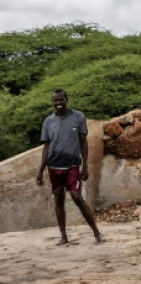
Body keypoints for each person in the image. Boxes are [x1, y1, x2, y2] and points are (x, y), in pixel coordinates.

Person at [35, 89, 104, 245]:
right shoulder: (48, 121)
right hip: (54, 166)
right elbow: (46, 146)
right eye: (55, 101)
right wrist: (40, 170)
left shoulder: (78, 117)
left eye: (61, 100)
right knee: (58, 199)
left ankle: (97, 233)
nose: (58, 103)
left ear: (67, 100)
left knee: (77, 197)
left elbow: (83, 142)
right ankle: (64, 236)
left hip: (72, 165)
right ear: (52, 102)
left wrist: (85, 166)